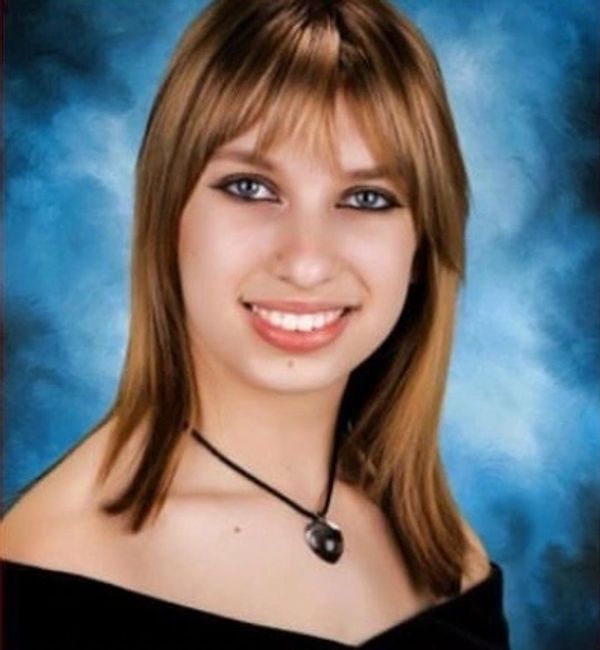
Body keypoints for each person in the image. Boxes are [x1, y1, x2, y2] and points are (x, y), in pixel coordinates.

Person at [1, 0, 511, 647]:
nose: (305, 262)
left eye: (366, 198)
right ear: (169, 216)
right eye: (250, 187)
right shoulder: (48, 572)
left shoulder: (444, 547)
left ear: (421, 249)